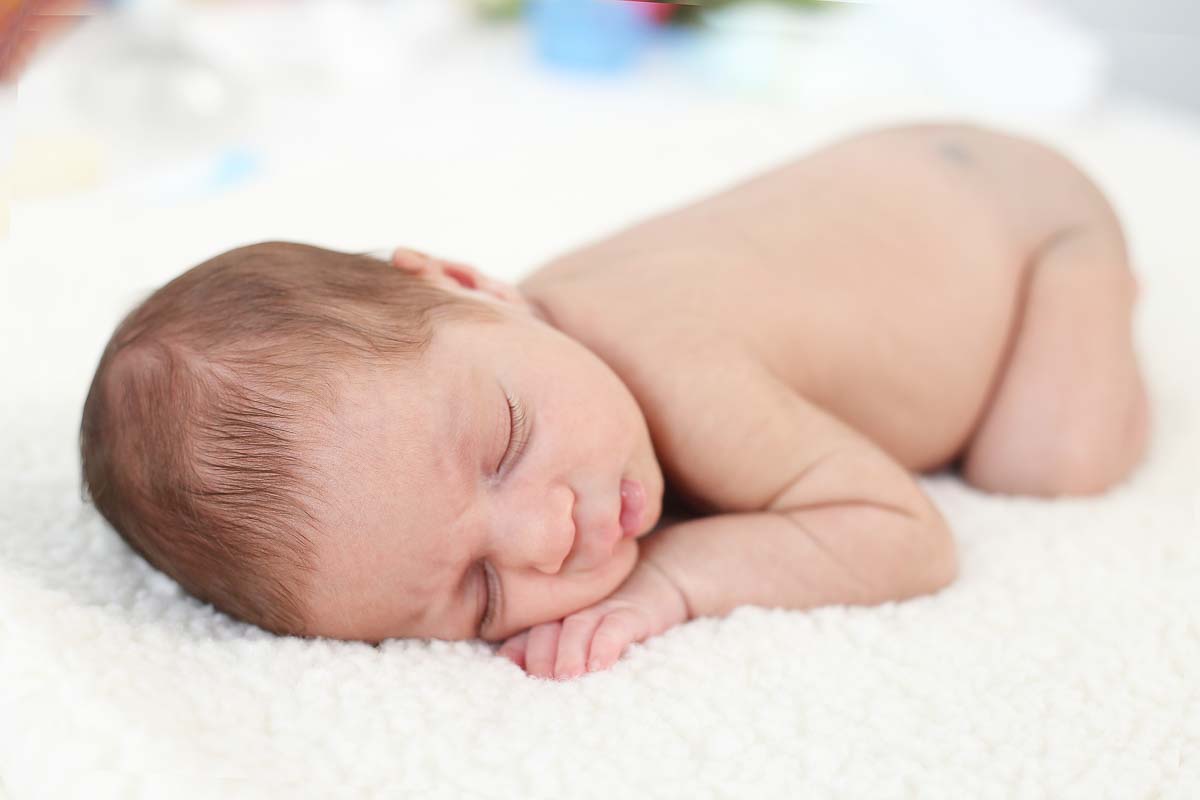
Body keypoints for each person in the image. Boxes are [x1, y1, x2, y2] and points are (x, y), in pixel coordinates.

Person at [79, 123, 1150, 679]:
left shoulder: (679, 368)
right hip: (908, 174)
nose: (551, 537)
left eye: (505, 445)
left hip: (1022, 218)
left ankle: (1111, 289)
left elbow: (904, 533)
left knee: (1048, 464)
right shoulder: (509, 347)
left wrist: (672, 582)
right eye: (484, 592)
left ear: (465, 281)